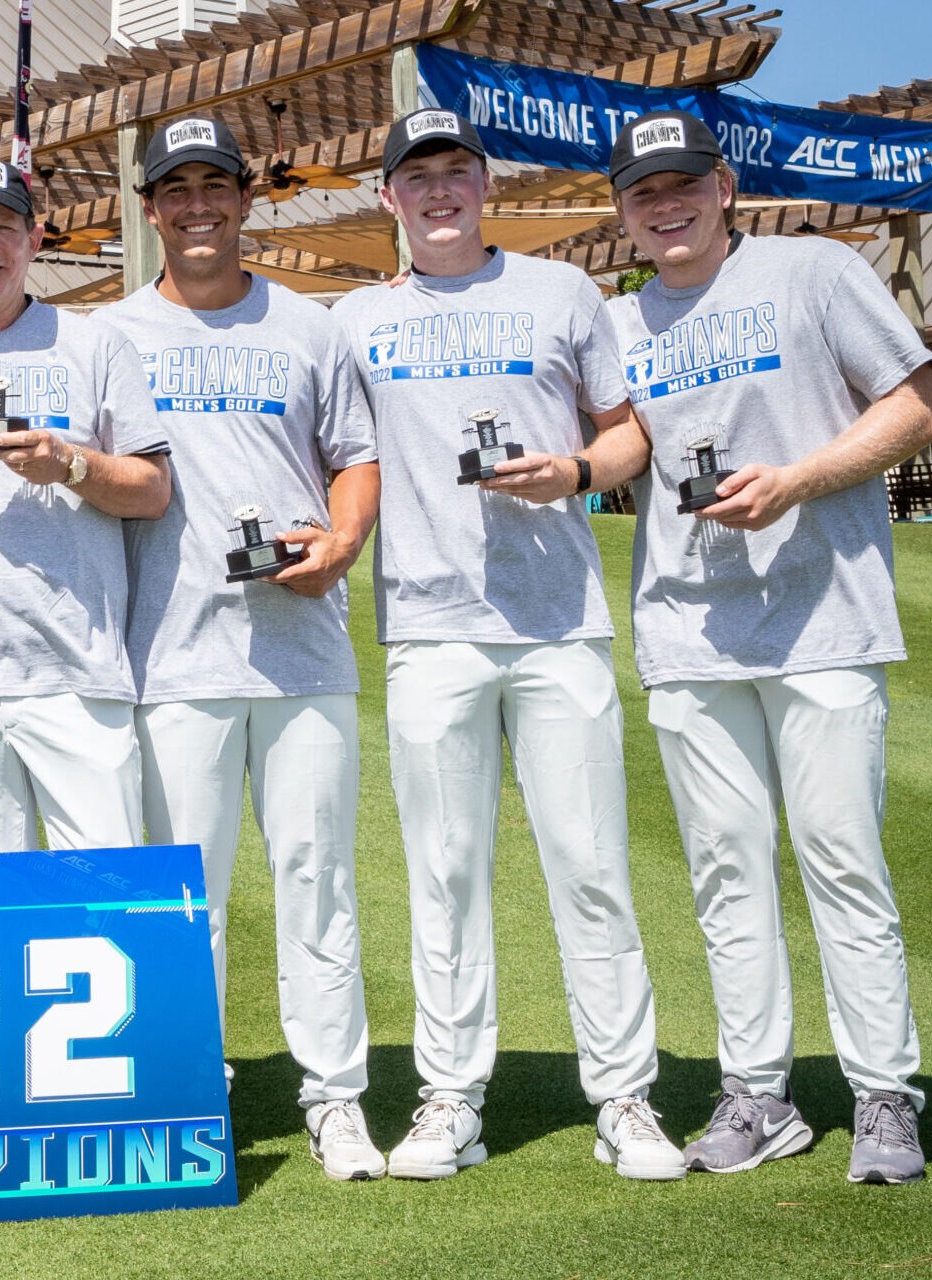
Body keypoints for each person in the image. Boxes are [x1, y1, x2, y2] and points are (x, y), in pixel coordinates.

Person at [331, 109, 683, 1182]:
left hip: (556, 624)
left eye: (454, 170)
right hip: (428, 628)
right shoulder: (351, 318)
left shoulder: (563, 294)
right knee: (442, 875)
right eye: (415, 175)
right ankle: (450, 1096)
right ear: (388, 197)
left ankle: (625, 1095)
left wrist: (575, 472)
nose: (437, 190)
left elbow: (631, 431)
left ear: (484, 184)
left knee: (590, 867)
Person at [606, 109, 932, 1185]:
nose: (665, 203)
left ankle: (884, 1093)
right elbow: (622, 445)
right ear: (621, 210)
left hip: (822, 616)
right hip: (686, 627)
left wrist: (795, 479)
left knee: (841, 857)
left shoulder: (811, 271)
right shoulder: (623, 322)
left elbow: (921, 401)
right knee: (725, 871)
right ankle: (759, 1091)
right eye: (642, 190)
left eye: (683, 182)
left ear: (725, 186)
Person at [92, 116, 385, 1179]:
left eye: (216, 185)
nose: (198, 205)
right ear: (150, 206)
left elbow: (355, 459)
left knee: (318, 876)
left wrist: (342, 541)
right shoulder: (108, 333)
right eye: (177, 189)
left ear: (246, 201)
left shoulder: (309, 327)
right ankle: (191, 1090)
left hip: (300, 644)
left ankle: (335, 1096)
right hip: (172, 656)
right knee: (188, 896)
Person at [0, 158, 170, 853]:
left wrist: (71, 464)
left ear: (36, 238)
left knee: (102, 906)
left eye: (4, 228)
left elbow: (153, 490)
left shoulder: (94, 343)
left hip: (80, 679)